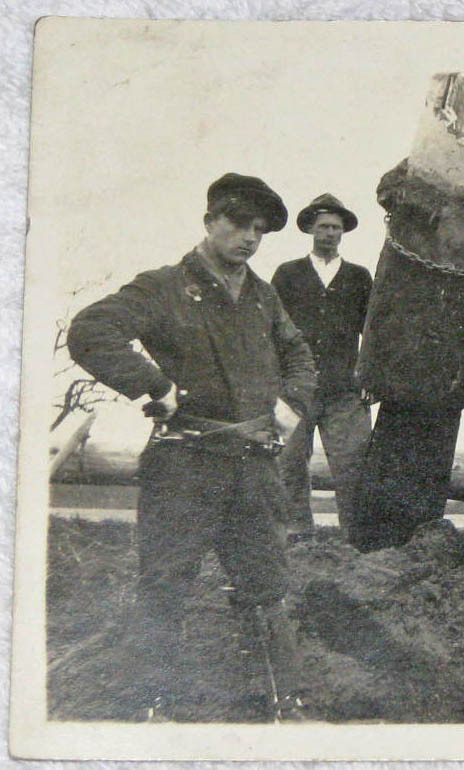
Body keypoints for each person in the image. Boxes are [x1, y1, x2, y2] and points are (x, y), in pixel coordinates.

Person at [67, 173, 316, 722]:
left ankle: (284, 707)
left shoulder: (263, 295)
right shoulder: (163, 287)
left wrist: (290, 406)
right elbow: (90, 330)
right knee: (165, 586)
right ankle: (151, 707)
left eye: (259, 229)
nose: (249, 238)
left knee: (268, 587)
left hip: (253, 469)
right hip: (184, 467)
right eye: (238, 224)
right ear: (209, 222)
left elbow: (300, 355)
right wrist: (154, 386)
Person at [271, 194, 373, 540]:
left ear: (343, 232)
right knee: (288, 463)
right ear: (310, 230)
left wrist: (368, 376)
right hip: (294, 390)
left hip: (344, 389)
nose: (329, 233)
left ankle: (356, 537)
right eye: (323, 227)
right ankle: (296, 534)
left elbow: (371, 330)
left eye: (335, 227)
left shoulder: (359, 277)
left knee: (353, 464)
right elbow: (272, 328)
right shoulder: (288, 274)